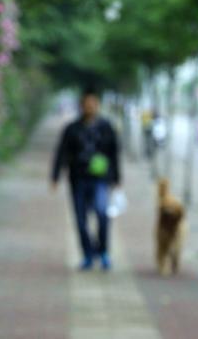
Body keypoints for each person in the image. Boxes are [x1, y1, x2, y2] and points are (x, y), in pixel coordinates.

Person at [51, 88, 120, 270]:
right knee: (80, 219)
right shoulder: (72, 128)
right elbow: (62, 151)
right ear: (81, 106)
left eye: (93, 103)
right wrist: (55, 175)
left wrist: (117, 177)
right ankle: (88, 254)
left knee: (102, 213)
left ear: (97, 105)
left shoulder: (106, 127)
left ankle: (103, 251)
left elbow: (114, 152)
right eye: (86, 103)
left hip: (100, 179)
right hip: (78, 178)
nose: (90, 107)